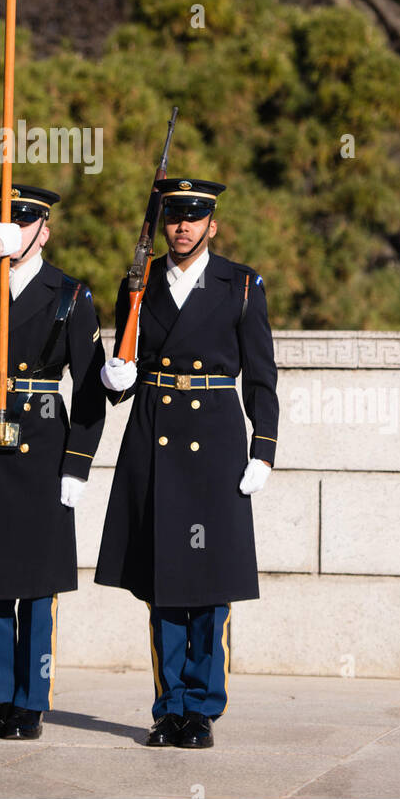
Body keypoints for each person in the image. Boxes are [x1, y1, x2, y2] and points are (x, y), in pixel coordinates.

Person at [95, 178, 278, 749]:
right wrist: (114, 378)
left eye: (194, 217)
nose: (182, 226)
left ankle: (201, 707)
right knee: (162, 581)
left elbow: (263, 375)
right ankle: (167, 706)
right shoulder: (138, 283)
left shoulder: (241, 284)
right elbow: (123, 364)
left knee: (209, 581)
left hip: (216, 441)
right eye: (174, 216)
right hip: (156, 435)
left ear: (211, 225)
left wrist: (264, 447)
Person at [0, 182, 105, 740]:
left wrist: (77, 462)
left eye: (26, 222)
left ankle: (29, 701)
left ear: (44, 230)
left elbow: (91, 388)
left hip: (40, 439)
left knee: (34, 580)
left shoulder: (70, 294)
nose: (17, 231)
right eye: (8, 222)